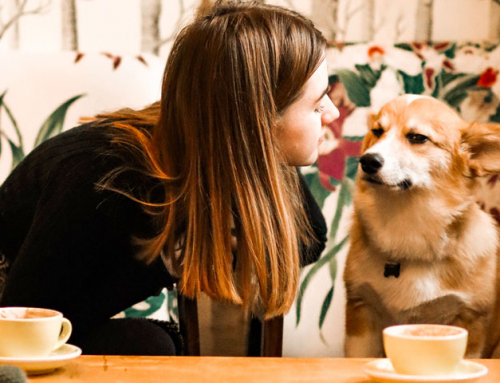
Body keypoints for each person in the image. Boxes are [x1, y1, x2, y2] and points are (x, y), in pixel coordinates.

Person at [0, 1, 338, 356]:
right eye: (317, 104)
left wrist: (259, 171)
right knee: (151, 346)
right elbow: (21, 325)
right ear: (255, 123)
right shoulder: (103, 183)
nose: (331, 112)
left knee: (152, 344)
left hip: (63, 323)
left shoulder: (228, 153)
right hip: (16, 324)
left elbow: (309, 238)